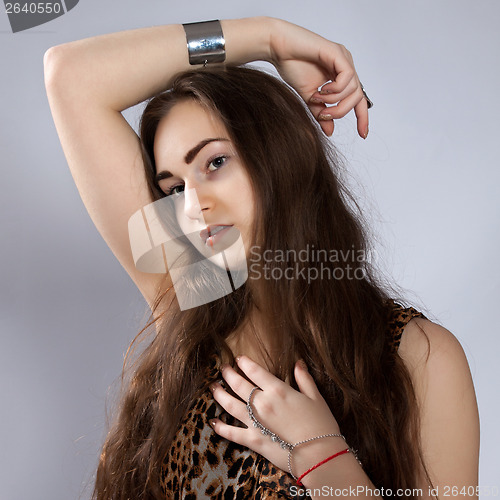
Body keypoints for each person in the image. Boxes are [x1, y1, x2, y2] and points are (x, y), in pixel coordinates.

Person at [43, 17, 479, 499]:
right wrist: (267, 39)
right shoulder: (188, 297)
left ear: (281, 157)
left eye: (215, 162)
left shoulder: (416, 358)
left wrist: (325, 457)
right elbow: (71, 76)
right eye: (174, 187)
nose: (191, 206)